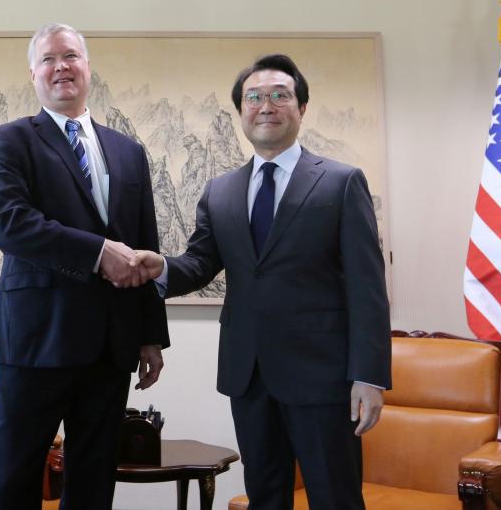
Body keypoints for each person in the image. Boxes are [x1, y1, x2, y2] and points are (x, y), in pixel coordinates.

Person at [132, 54, 390, 509]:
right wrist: (162, 269)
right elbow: (200, 264)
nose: (265, 105)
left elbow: (367, 289)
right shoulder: (221, 190)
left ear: (301, 108)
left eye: (279, 95)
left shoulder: (341, 182)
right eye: (253, 97)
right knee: (266, 497)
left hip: (323, 378)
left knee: (336, 498)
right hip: (249, 375)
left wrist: (368, 376)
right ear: (241, 111)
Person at [0, 23, 169, 510]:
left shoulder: (129, 151)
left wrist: (149, 335)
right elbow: (11, 223)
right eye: (48, 59)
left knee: (92, 487)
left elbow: (145, 243)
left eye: (70, 56)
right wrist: (98, 251)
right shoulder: (7, 141)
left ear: (87, 67)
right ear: (33, 75)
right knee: (12, 484)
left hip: (111, 347)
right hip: (34, 343)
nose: (61, 66)